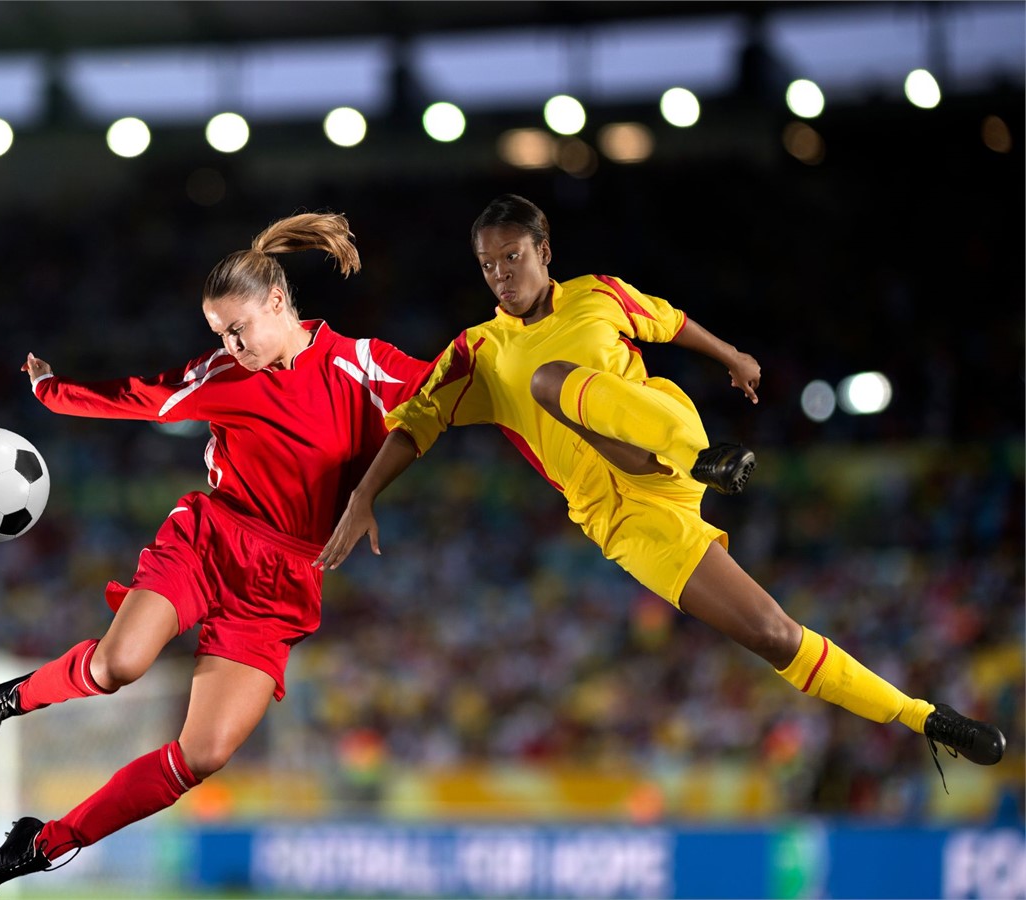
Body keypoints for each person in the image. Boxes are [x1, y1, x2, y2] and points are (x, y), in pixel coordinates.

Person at [315, 193, 1006, 783]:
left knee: (549, 380)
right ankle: (927, 717)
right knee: (772, 634)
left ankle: (707, 458)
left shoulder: (597, 296)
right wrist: (364, 494)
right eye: (487, 264)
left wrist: (732, 356)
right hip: (627, 522)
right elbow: (415, 424)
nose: (500, 275)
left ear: (544, 249)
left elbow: (669, 320)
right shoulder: (478, 353)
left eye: (512, 258)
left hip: (671, 437)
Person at [0, 212, 434, 899]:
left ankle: (41, 843)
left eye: (238, 328)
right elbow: (142, 400)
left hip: (287, 579)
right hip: (213, 539)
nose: (231, 345)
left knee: (203, 754)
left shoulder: (364, 365)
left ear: (278, 302)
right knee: (119, 664)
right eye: (220, 334)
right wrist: (50, 390)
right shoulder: (222, 374)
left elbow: (447, 394)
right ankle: (16, 696)